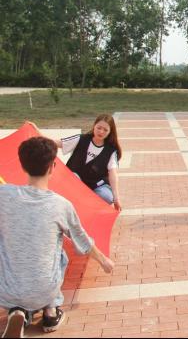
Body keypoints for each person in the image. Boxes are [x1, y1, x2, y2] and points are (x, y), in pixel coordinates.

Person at [0, 137, 114, 338]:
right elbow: (82, 241)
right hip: (44, 290)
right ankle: (50, 312)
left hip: (6, 291)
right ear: (53, 166)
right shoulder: (61, 205)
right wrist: (104, 260)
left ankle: (18, 311)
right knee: (60, 255)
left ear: (22, 166)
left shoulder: (4, 194)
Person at [31, 114, 123, 210]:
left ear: (110, 132)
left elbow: (113, 174)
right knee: (74, 177)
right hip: (76, 181)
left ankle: (87, 206)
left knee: (106, 196)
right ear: (94, 126)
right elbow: (56, 143)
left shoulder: (111, 151)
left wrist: (116, 198)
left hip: (96, 186)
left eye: (105, 130)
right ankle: (77, 203)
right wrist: (38, 133)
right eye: (99, 128)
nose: (101, 131)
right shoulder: (81, 139)